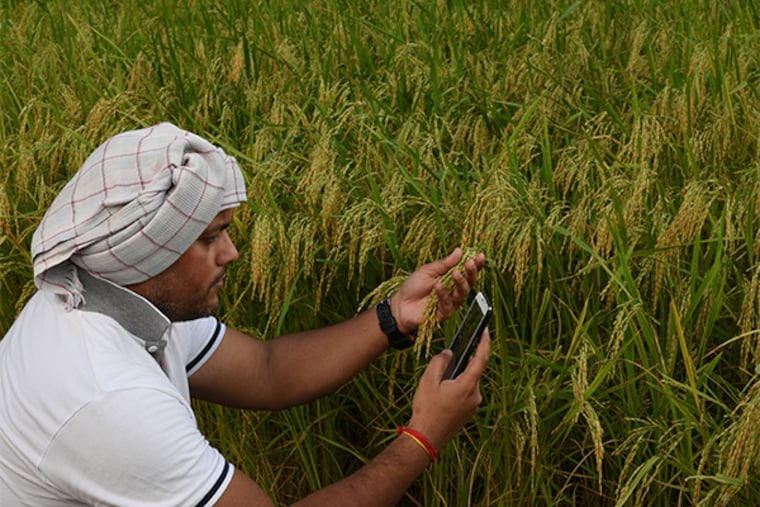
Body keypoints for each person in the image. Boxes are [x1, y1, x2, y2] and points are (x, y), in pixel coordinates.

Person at [0, 122, 490, 506]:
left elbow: (266, 371)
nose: (232, 253)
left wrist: (394, 316)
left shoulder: (114, 297)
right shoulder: (106, 395)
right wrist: (424, 435)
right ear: (147, 254)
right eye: (210, 237)